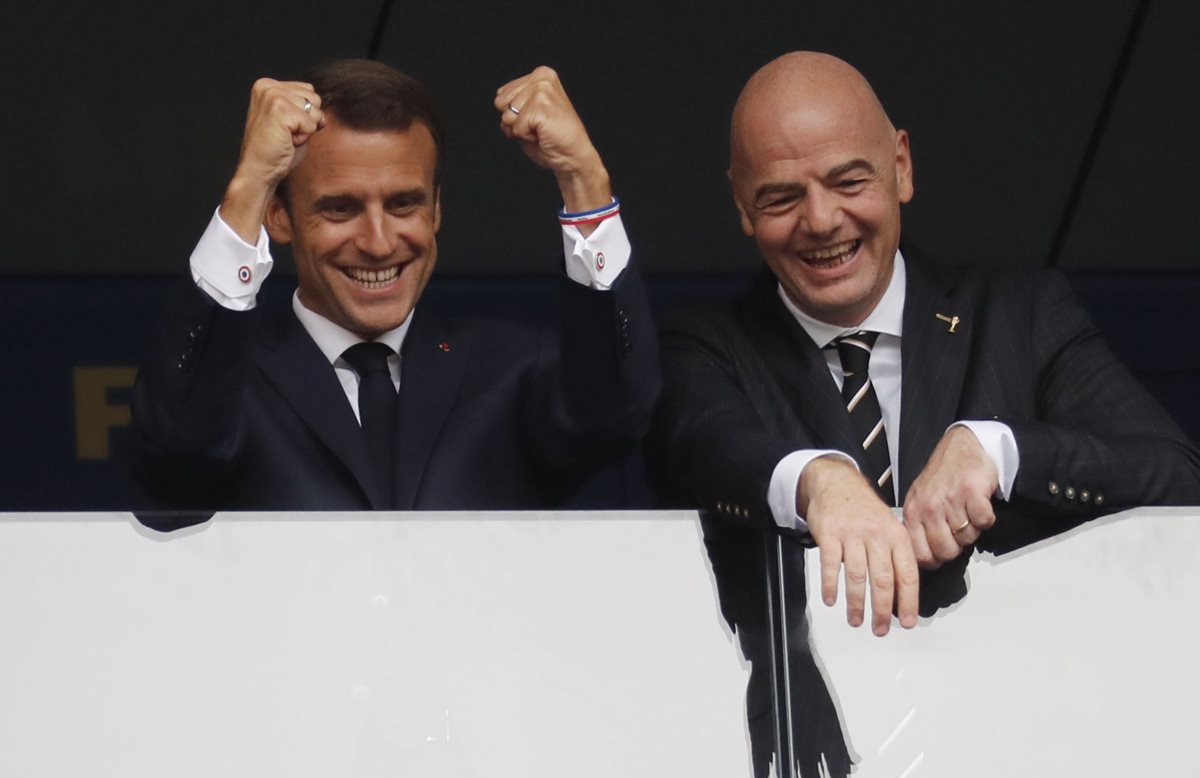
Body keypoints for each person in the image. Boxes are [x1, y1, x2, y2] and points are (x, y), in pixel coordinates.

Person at [652, 51, 1200, 636]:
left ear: (902, 167)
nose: (820, 220)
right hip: (811, 716)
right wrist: (818, 480)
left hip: (1021, 700)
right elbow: (704, 450)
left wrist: (997, 452)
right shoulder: (703, 350)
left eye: (849, 182)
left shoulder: (1023, 316)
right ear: (742, 206)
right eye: (782, 198)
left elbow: (1176, 476)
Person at [132, 59, 658, 513]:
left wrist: (584, 178)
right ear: (279, 217)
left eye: (404, 203)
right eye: (340, 208)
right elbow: (176, 452)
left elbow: (616, 416)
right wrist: (247, 187)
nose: (379, 242)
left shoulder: (512, 371)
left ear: (436, 211)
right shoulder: (227, 381)